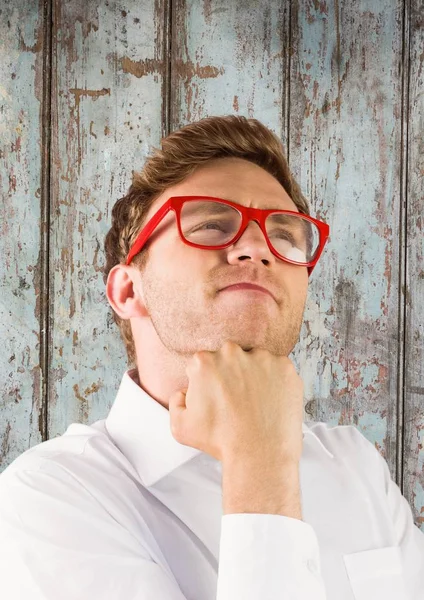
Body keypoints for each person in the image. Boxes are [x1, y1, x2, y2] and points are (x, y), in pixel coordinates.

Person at [0, 115, 422, 599]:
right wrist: (258, 465)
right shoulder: (49, 498)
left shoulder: (355, 466)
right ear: (127, 290)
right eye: (209, 225)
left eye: (284, 235)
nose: (258, 247)